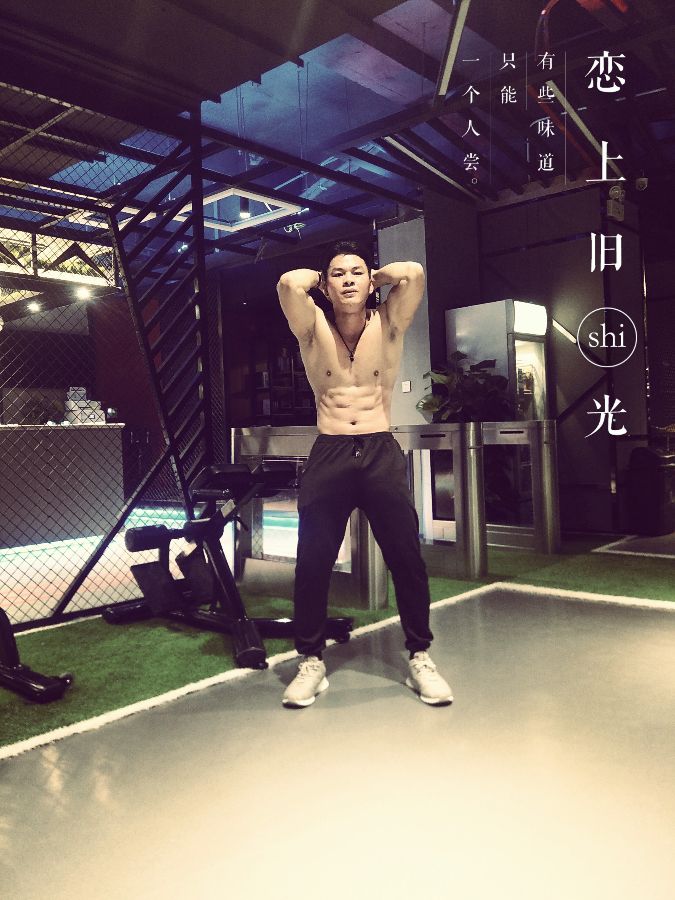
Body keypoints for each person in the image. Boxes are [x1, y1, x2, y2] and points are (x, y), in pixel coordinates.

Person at [276, 239, 453, 708]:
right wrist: (322, 278)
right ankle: (311, 661)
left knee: (406, 557)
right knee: (312, 561)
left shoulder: (389, 321)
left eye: (357, 272)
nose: (349, 280)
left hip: (379, 449)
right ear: (325, 285)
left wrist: (375, 276)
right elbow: (289, 284)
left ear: (371, 280)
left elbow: (413, 273)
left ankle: (420, 656)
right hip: (330, 451)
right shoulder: (312, 327)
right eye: (338, 274)